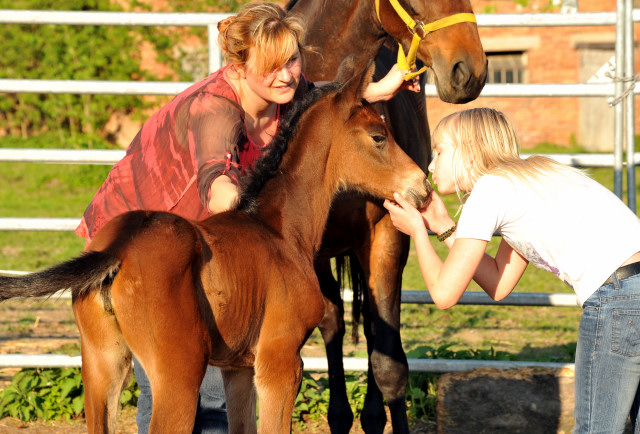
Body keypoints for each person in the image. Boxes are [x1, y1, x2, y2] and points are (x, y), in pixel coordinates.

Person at [75, 3, 420, 432]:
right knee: (175, 383)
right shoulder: (215, 110)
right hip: (141, 236)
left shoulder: (286, 93)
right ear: (238, 69)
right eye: (272, 66)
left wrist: (377, 89)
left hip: (192, 244)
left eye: (292, 59)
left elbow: (322, 96)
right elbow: (214, 184)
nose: (287, 74)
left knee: (208, 381)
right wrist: (243, 194)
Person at [383, 107, 640, 433]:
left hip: (619, 301)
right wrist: (444, 225)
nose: (431, 164)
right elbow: (498, 283)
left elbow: (444, 294)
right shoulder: (530, 178)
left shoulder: (489, 189)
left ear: (470, 152)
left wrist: (419, 232)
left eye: (439, 150)